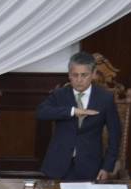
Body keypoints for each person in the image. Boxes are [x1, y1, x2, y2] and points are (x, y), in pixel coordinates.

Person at [36, 52, 122, 181]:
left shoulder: (105, 98)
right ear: (69, 75)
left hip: (91, 166)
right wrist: (72, 111)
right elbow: (41, 112)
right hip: (58, 165)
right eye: (75, 75)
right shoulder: (60, 94)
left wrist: (106, 167)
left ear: (93, 74)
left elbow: (115, 135)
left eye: (84, 75)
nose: (79, 80)